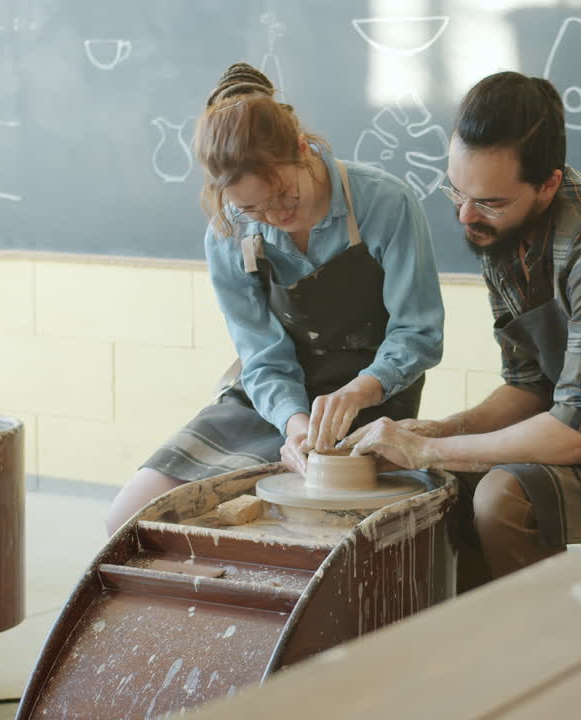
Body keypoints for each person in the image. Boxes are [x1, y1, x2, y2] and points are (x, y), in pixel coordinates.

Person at [343, 71, 581, 588]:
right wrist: (441, 431)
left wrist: (431, 450)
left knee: (503, 496)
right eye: (455, 192)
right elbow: (529, 385)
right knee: (445, 483)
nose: (465, 216)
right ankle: (487, 642)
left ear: (548, 184)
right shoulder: (495, 225)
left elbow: (577, 435)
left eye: (489, 201)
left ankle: (546, 649)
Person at [105, 63, 444, 534]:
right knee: (129, 517)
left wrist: (360, 390)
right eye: (251, 208)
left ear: (302, 150)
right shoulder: (228, 230)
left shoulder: (385, 203)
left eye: (284, 195)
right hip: (275, 396)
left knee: (323, 533)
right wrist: (293, 422)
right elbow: (262, 354)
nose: (273, 216)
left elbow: (419, 332)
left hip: (372, 393)